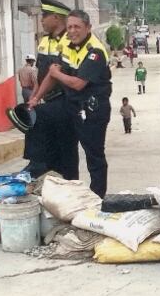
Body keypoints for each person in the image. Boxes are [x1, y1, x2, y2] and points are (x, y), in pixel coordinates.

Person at [33, 10, 112, 197]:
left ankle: (98, 197)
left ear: (88, 28)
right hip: (72, 106)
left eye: (77, 27)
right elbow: (52, 76)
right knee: (64, 147)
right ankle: (69, 191)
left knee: (94, 155)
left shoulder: (95, 52)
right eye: (69, 27)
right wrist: (36, 97)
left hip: (92, 110)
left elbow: (78, 84)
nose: (73, 31)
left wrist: (56, 73)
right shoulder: (68, 46)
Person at [23, 0, 79, 180]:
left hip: (65, 99)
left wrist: (37, 98)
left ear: (56, 17)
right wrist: (35, 96)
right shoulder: (44, 41)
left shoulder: (69, 42)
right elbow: (41, 73)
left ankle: (67, 181)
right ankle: (41, 166)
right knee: (50, 145)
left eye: (45, 15)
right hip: (49, 98)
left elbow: (54, 75)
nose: (42, 20)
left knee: (66, 151)